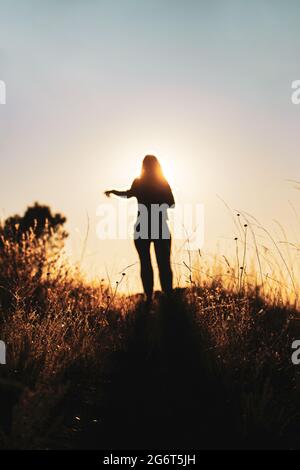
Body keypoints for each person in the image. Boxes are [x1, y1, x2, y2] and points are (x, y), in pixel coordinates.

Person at [105, 155, 175, 303]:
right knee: (163, 263)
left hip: (142, 225)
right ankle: (168, 297)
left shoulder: (139, 182)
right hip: (160, 225)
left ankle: (149, 298)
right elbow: (171, 204)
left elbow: (127, 194)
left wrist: (113, 191)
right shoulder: (162, 182)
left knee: (145, 263)